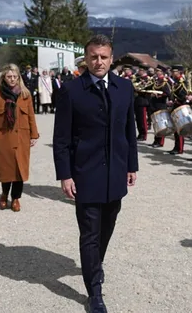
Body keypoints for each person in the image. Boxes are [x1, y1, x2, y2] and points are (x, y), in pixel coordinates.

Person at [53, 34, 139, 313]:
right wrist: (65, 175)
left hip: (115, 171)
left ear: (111, 59)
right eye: (94, 56)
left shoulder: (124, 88)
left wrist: (131, 165)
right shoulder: (72, 90)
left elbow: (129, 131)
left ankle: (93, 265)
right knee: (89, 233)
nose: (99, 61)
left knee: (108, 225)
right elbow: (62, 138)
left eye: (104, 57)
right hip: (85, 174)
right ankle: (95, 292)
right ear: (85, 59)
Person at [0, 64, 39, 211]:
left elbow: (31, 116)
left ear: (19, 77)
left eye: (15, 76)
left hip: (22, 136)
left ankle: (16, 198)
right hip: (3, 136)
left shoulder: (25, 94)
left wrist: (34, 134)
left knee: (20, 169)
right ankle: (4, 194)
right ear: (4, 77)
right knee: (6, 169)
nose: (12, 79)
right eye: (9, 76)